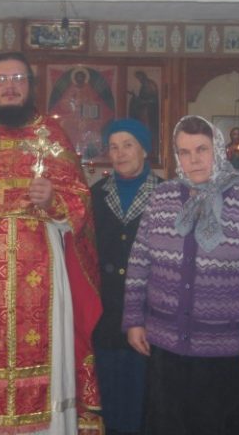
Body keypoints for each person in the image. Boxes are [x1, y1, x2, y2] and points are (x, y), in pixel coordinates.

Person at [0, 51, 104, 434]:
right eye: (1, 80)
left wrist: (54, 201)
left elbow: (81, 204)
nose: (10, 87)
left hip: (44, 277)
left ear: (31, 86)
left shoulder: (53, 135)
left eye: (18, 79)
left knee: (49, 361)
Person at [123, 115, 239, 435]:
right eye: (184, 152)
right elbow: (139, 263)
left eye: (201, 149)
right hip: (167, 349)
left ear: (218, 150)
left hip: (227, 355)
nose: (193, 160)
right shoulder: (161, 200)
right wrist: (133, 319)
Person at [90, 119, 162, 435]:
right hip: (106, 315)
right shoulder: (95, 194)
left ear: (144, 150)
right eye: (114, 147)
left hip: (151, 314)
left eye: (128, 145)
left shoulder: (168, 195)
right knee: (110, 400)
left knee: (146, 400)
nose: (119, 153)